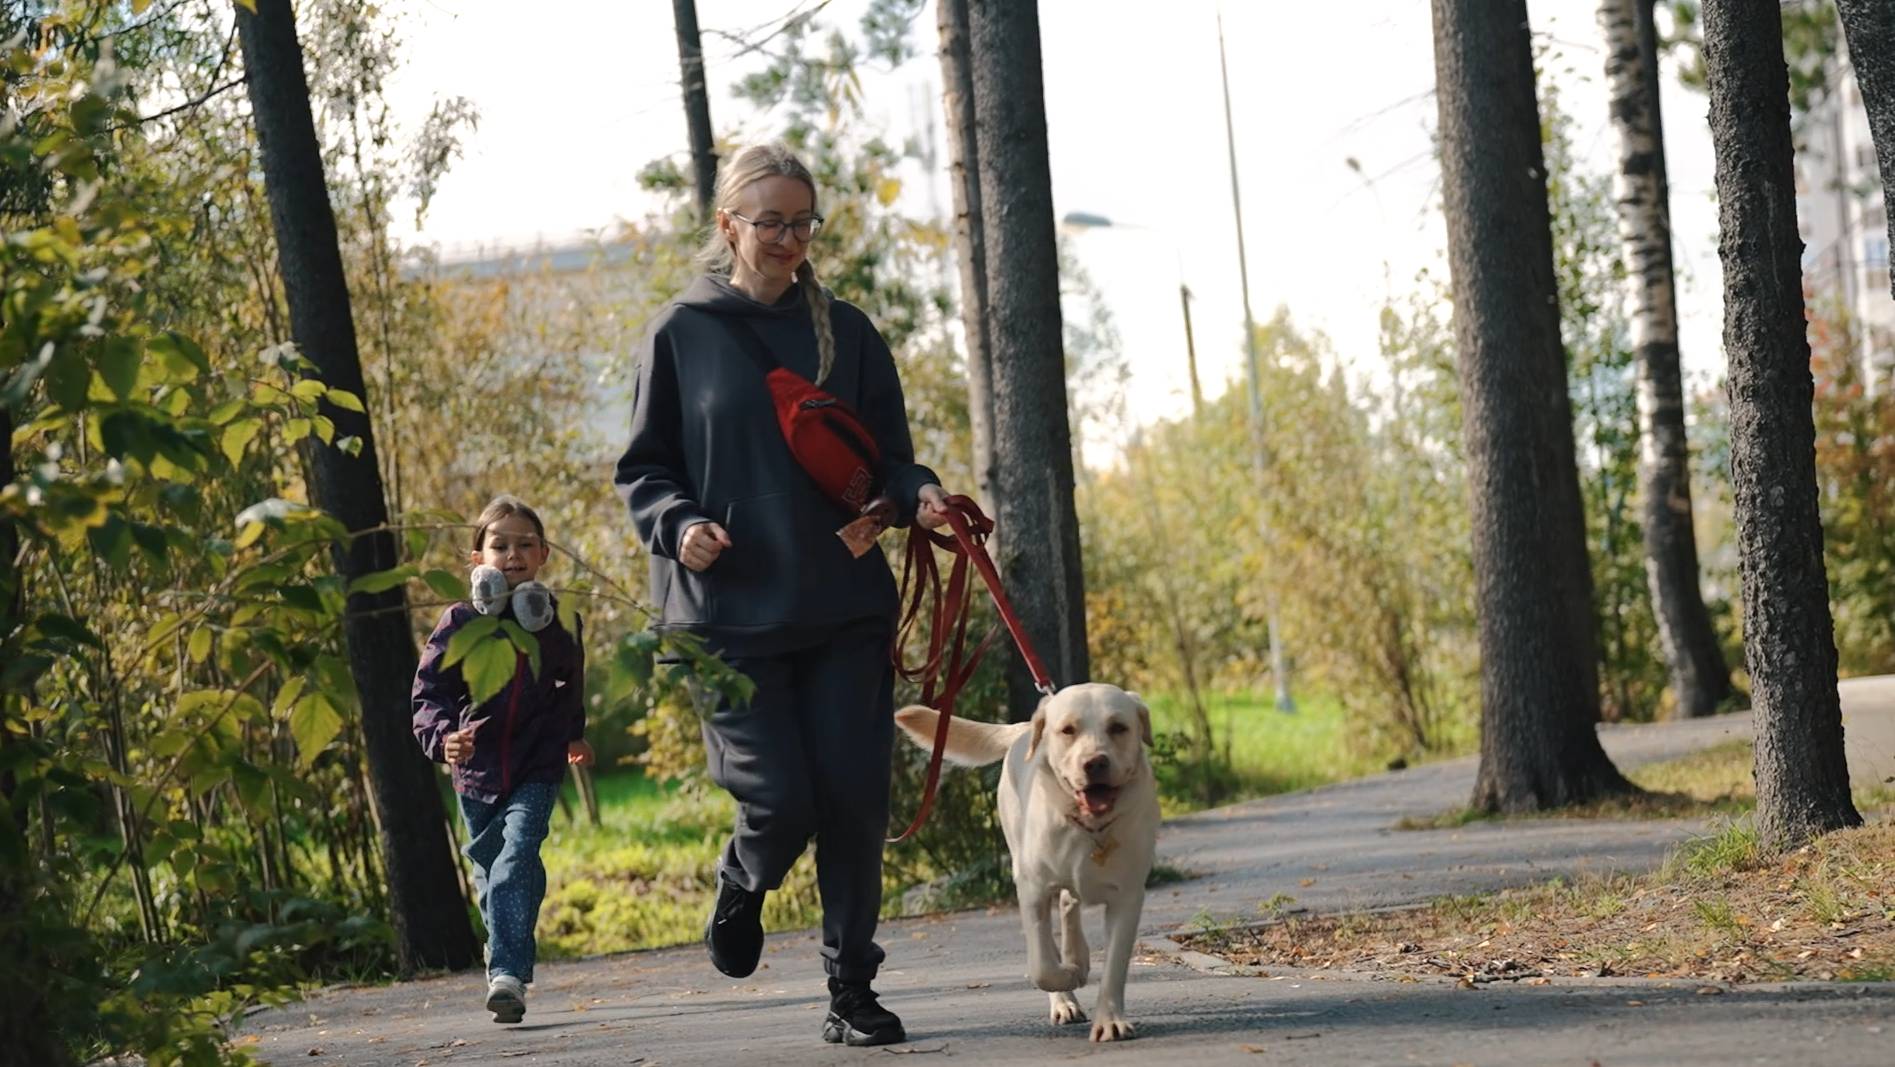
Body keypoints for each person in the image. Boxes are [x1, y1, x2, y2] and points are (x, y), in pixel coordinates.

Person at [613, 142, 953, 1048]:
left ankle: (851, 988)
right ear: (729, 225)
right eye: (771, 222)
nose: (789, 239)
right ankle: (744, 876)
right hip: (725, 613)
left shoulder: (846, 331)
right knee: (783, 800)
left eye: (803, 223)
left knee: (852, 798)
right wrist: (678, 523)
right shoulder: (680, 332)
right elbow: (643, 469)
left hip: (842, 603)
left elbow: (890, 451)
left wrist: (918, 492)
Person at [412, 495, 593, 1025]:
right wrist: (444, 737)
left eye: (524, 545)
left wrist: (574, 734)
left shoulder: (558, 620)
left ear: (544, 556)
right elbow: (429, 694)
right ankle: (509, 941)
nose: (512, 555)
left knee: (515, 855)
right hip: (477, 770)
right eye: (500, 545)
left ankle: (507, 974)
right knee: (497, 873)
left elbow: (569, 686)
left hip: (538, 766)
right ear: (478, 560)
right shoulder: (460, 621)